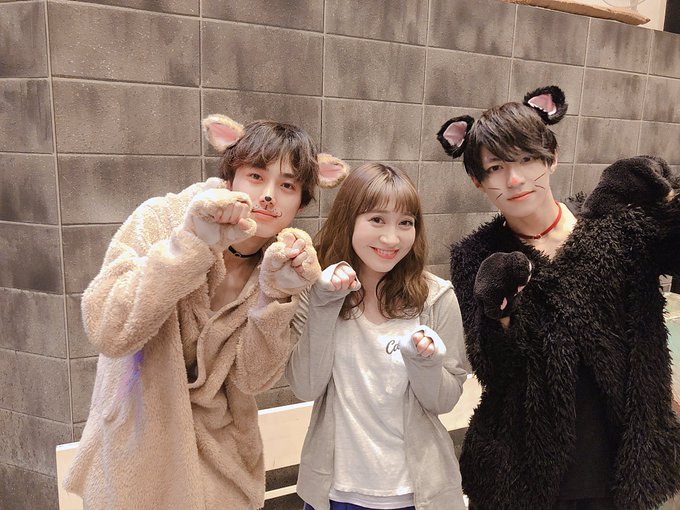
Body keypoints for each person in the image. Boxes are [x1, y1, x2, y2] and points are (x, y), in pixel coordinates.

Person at [63, 114, 349, 509]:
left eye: (287, 185)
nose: (268, 195)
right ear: (231, 177)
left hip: (222, 463)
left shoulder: (285, 265)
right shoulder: (162, 219)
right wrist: (191, 245)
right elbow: (108, 330)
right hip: (137, 446)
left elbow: (252, 379)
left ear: (301, 202)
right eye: (255, 176)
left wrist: (274, 298)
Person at [437, 85, 680, 510]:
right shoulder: (476, 255)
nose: (514, 179)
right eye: (495, 167)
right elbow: (493, 370)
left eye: (526, 159)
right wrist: (500, 314)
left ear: (551, 157)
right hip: (520, 469)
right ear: (478, 181)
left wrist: (666, 196)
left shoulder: (617, 226)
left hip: (620, 461)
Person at [286, 163, 469, 510]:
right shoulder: (315, 290)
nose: (391, 238)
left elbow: (443, 402)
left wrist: (426, 363)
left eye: (405, 223)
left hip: (418, 494)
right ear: (349, 220)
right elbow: (305, 387)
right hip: (335, 493)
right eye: (377, 220)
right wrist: (324, 303)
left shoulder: (436, 297)